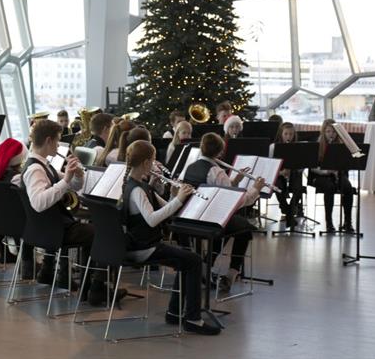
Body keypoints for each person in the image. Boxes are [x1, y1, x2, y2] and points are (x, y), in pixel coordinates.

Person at [120, 140, 221, 335]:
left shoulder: (140, 184)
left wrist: (175, 194)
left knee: (187, 257)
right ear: (146, 163)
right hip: (142, 247)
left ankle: (174, 313)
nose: (156, 165)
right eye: (154, 161)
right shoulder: (136, 190)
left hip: (144, 243)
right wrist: (179, 199)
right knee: (193, 260)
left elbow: (167, 207)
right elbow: (151, 220)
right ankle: (193, 319)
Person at [21, 119, 121, 305]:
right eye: (58, 141)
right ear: (49, 140)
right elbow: (39, 203)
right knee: (103, 233)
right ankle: (95, 287)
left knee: (92, 232)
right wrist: (66, 180)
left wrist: (77, 176)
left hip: (50, 227)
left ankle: (89, 287)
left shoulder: (44, 164)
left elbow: (72, 186)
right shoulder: (35, 169)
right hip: (53, 230)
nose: (59, 145)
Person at [182, 132, 264, 293]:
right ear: (220, 152)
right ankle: (231, 274)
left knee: (232, 224)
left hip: (193, 217)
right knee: (245, 229)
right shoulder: (216, 171)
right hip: (211, 219)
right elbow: (237, 202)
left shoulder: (191, 167)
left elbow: (221, 190)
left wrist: (235, 181)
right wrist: (256, 189)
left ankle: (208, 265)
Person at [308, 119, 355, 233]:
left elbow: (346, 163)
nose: (331, 134)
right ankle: (329, 222)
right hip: (319, 176)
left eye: (333, 132)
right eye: (328, 131)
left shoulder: (341, 145)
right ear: (323, 132)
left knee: (348, 188)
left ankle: (347, 222)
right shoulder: (318, 145)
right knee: (330, 187)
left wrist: (339, 169)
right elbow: (312, 166)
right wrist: (326, 171)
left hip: (337, 174)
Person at [269, 122, 303, 229]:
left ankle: (289, 213)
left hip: (293, 173)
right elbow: (269, 166)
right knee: (278, 187)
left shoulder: (298, 147)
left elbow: (303, 164)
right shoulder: (273, 147)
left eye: (291, 134)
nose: (288, 137)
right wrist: (281, 172)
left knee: (298, 189)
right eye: (286, 134)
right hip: (279, 174)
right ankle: (288, 213)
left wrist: (293, 169)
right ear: (281, 135)